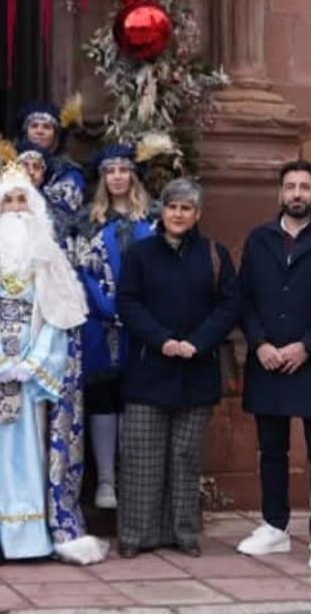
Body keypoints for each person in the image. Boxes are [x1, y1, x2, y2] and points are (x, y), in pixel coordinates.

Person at [0, 162, 104, 567]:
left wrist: (35, 362)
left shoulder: (50, 258)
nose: (14, 209)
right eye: (7, 200)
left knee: (34, 453)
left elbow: (61, 318)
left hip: (34, 379)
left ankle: (35, 537)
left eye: (21, 201)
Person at [235, 160, 311, 571]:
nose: (297, 194)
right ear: (280, 193)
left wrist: (306, 346)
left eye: (305, 187)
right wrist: (259, 343)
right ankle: (274, 526)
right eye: (290, 186)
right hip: (268, 361)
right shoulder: (259, 240)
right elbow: (245, 298)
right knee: (271, 450)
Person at [116, 178, 238, 558]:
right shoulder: (140, 254)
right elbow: (129, 303)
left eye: (186, 208)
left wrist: (197, 343)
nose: (178, 214)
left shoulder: (215, 254)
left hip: (196, 370)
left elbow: (229, 305)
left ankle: (183, 533)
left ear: (197, 214)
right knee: (141, 457)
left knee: (185, 458)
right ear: (162, 211)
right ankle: (136, 536)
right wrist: (163, 340)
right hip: (148, 368)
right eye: (172, 207)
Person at [76, 145, 156, 510]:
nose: (118, 177)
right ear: (103, 178)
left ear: (134, 176)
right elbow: (79, 272)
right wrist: (105, 305)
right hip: (100, 323)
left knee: (135, 399)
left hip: (144, 325)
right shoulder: (87, 222)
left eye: (125, 170)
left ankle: (131, 477)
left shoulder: (152, 221)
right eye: (111, 171)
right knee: (103, 397)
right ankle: (106, 480)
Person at [17, 102, 85, 243]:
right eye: (34, 126)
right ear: (26, 131)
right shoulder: (10, 166)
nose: (39, 131)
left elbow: (65, 221)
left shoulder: (69, 172)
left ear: (56, 135)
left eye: (46, 127)